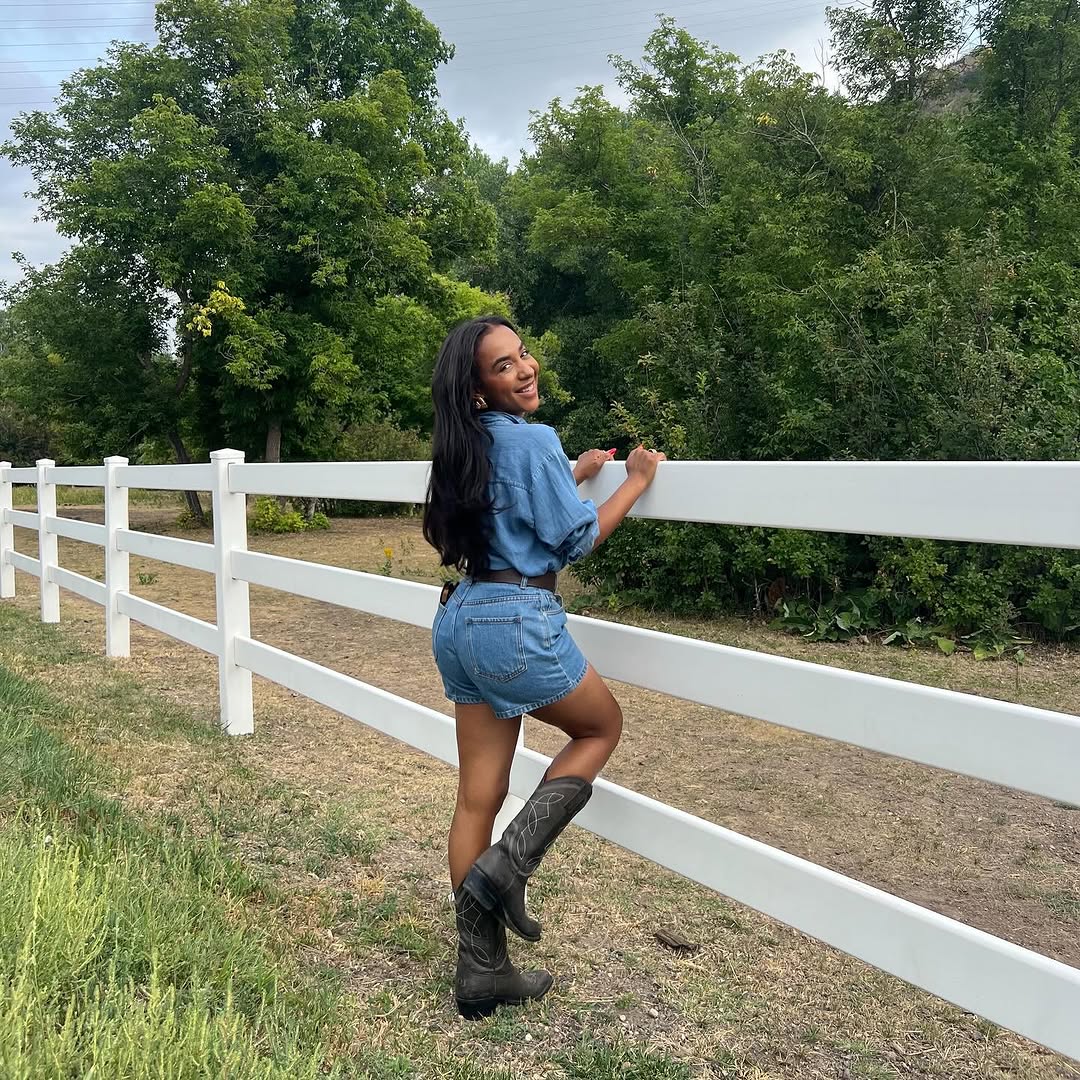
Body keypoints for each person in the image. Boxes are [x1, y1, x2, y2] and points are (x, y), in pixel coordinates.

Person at [422, 315, 665, 1019]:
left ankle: (481, 970)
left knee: (477, 796)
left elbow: (512, 506)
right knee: (600, 728)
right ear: (478, 389)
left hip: (460, 617)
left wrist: (572, 473)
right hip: (513, 620)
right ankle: (509, 865)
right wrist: (634, 482)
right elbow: (574, 538)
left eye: (522, 353)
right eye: (503, 366)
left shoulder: (464, 445)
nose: (525, 368)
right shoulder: (532, 441)